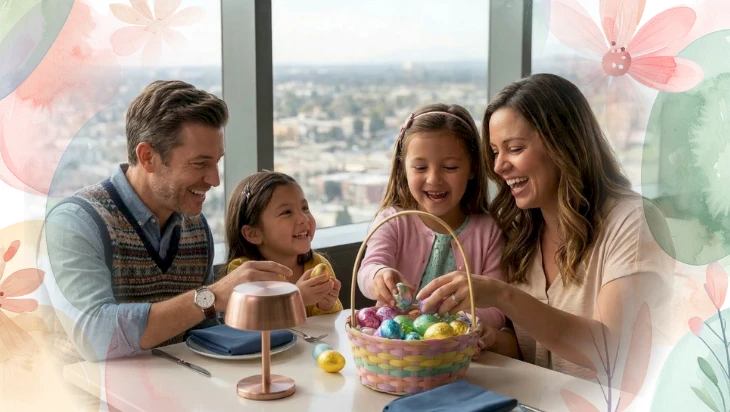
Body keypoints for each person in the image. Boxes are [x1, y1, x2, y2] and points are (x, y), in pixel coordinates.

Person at [417, 74, 674, 379]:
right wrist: (491, 338)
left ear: (562, 145)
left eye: (514, 148)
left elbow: (609, 351)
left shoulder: (633, 222)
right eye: (495, 152)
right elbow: (531, 352)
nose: (498, 167)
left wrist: (502, 296)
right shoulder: (521, 231)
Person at [46, 80, 292, 363]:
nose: (214, 180)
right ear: (148, 157)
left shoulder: (196, 229)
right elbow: (95, 337)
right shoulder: (74, 223)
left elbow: (202, 335)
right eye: (200, 164)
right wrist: (210, 297)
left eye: (217, 162)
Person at [357, 103, 507, 351]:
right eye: (420, 167)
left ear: (473, 168)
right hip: (398, 357)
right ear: (403, 168)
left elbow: (497, 309)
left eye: (450, 167)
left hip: (460, 359)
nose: (434, 179)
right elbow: (367, 269)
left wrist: (459, 323)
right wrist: (378, 275)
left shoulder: (488, 231)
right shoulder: (393, 220)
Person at [225, 171, 342, 316]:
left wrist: (326, 305)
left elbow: (326, 326)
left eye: (304, 208)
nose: (303, 218)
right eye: (287, 212)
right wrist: (296, 299)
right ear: (253, 234)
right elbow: (252, 323)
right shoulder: (244, 273)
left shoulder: (317, 264)